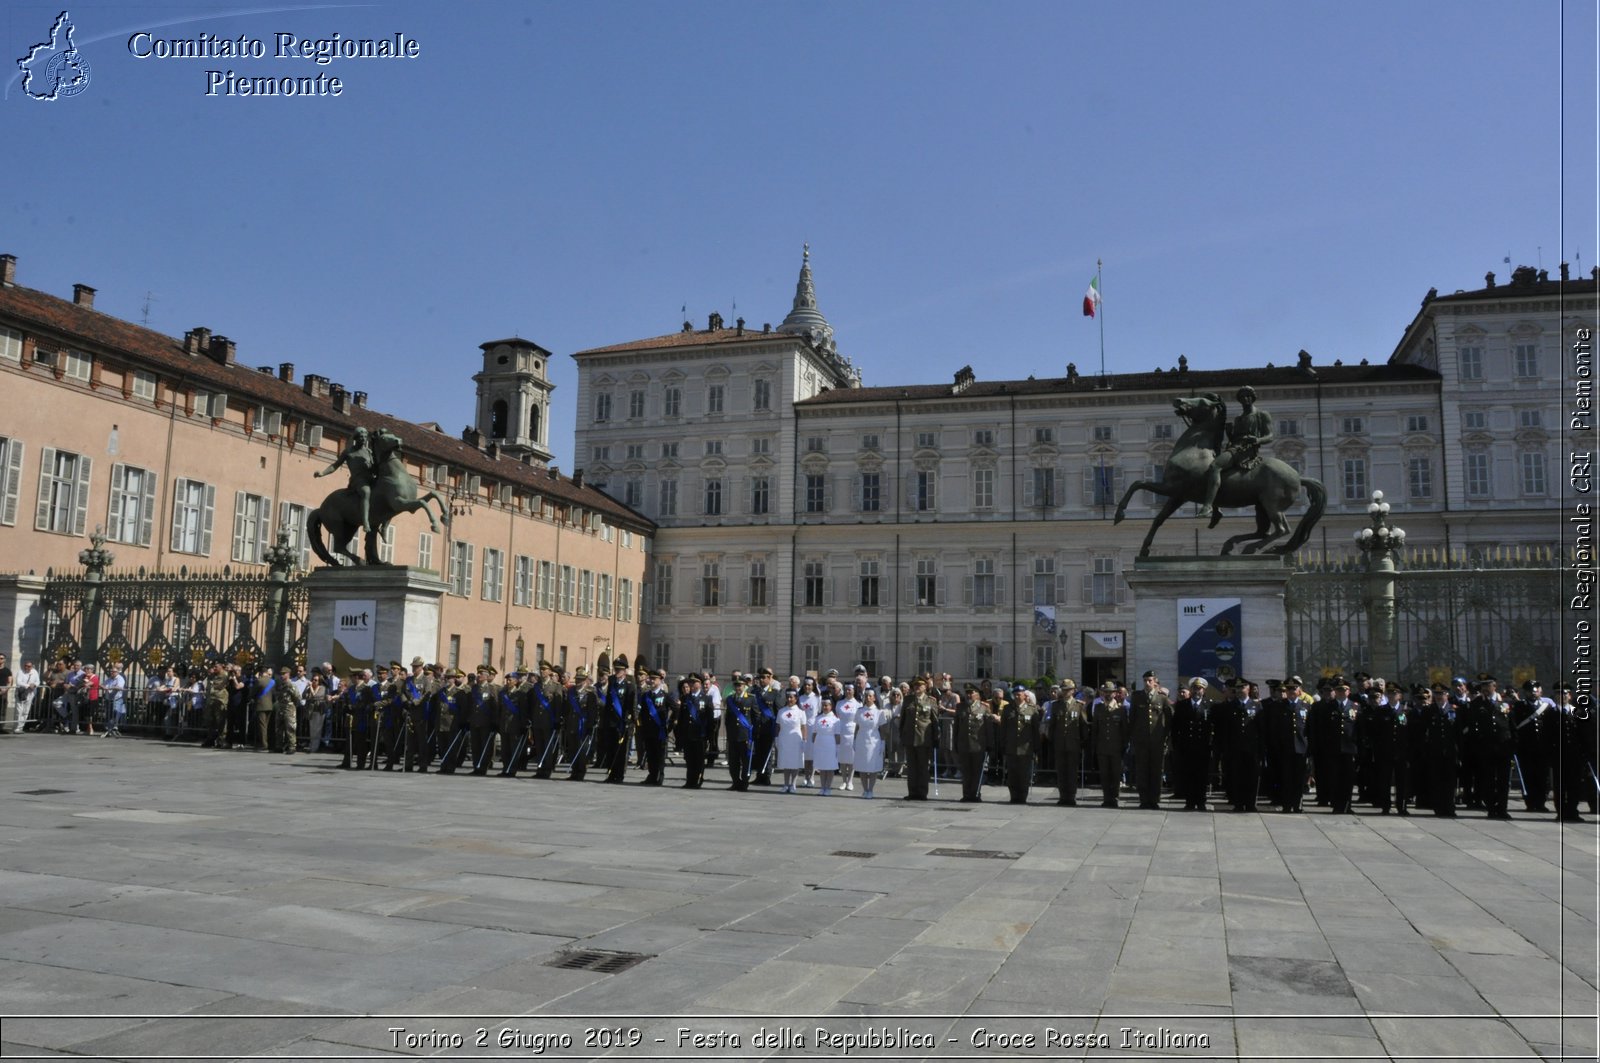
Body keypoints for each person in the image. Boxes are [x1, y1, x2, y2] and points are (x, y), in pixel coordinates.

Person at [1198, 384, 1273, 520]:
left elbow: (1270, 436)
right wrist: (1229, 433)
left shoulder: (1261, 414)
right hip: (1234, 448)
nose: (1246, 399)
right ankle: (1217, 508)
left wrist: (1256, 440)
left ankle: (1208, 505)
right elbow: (1235, 439)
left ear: (1253, 398)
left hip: (1246, 451)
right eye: (1243, 396)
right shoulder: (1238, 418)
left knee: (1215, 467)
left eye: (1248, 396)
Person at [1129, 670, 1171, 810]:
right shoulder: (1137, 697)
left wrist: (1165, 738)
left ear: (1155, 682)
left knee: (1156, 771)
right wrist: (1133, 739)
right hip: (1141, 742)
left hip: (1157, 741)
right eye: (1145, 680)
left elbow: (1168, 721)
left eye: (1150, 680)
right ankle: (1144, 798)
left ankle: (1154, 799)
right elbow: (1132, 720)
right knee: (1142, 770)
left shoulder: (1162, 699)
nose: (1147, 683)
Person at [999, 686, 1043, 804]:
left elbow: (1035, 730)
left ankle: (1022, 796)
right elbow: (1003, 729)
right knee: (1012, 774)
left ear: (1025, 695)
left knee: (1024, 774)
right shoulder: (1008, 709)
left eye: (1020, 694)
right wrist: (1002, 744)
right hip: (1011, 747)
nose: (1017, 696)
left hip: (1026, 748)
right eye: (1016, 694)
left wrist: (1036, 747)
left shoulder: (1032, 709)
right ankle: (1014, 796)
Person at [900, 677, 939, 800]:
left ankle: (922, 792)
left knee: (922, 767)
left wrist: (936, 738)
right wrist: (902, 736)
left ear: (925, 687)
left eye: (920, 685)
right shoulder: (908, 700)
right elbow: (903, 720)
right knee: (911, 767)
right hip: (910, 738)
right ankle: (912, 792)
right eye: (915, 685)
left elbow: (935, 722)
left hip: (924, 739)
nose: (917, 687)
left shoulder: (931, 701)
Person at [1091, 681, 1129, 807]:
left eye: (1110, 692)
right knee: (1105, 774)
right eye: (1105, 692)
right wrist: (1094, 746)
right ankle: (1106, 798)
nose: (1108, 694)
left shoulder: (1121, 709)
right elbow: (1095, 729)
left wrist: (1124, 746)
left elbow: (1124, 731)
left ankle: (1115, 798)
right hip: (1102, 747)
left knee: (1115, 774)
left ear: (1115, 693)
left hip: (1116, 748)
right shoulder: (1098, 708)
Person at [852, 688, 889, 798]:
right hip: (861, 739)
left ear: (874, 698)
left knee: (872, 767)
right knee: (863, 766)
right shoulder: (859, 711)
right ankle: (865, 789)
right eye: (866, 696)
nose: (868, 698)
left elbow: (883, 729)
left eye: (870, 696)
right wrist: (854, 740)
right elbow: (857, 727)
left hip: (874, 740)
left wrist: (883, 742)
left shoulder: (879, 712)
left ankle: (871, 790)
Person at [723, 674, 755, 791]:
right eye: (736, 685)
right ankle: (736, 782)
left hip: (745, 735)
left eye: (740, 685)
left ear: (745, 686)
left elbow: (755, 717)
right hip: (733, 735)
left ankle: (744, 783)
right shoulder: (730, 699)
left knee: (746, 761)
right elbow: (727, 719)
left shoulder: (751, 698)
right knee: (733, 761)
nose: (738, 687)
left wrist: (754, 734)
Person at [775, 688, 808, 793]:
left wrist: (804, 740)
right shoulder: (781, 711)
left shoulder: (801, 712)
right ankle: (785, 784)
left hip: (796, 738)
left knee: (795, 762)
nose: (789, 699)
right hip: (784, 737)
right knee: (786, 762)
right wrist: (776, 738)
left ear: (796, 698)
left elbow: (803, 727)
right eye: (788, 697)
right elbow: (778, 725)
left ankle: (793, 784)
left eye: (792, 697)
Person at [810, 698, 841, 795]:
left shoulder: (836, 720)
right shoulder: (817, 718)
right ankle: (822, 787)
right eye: (823, 705)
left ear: (831, 706)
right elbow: (814, 733)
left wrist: (837, 748)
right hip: (820, 744)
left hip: (830, 744)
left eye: (827, 705)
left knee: (830, 767)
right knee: (822, 767)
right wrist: (814, 744)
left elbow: (837, 735)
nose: (825, 707)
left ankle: (828, 787)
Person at [834, 680, 860, 791]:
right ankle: (843, 781)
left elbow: (858, 720)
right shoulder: (840, 703)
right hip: (841, 731)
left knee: (852, 759)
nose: (848, 691)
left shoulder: (858, 704)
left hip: (852, 732)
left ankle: (850, 781)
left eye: (850, 689)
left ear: (854, 691)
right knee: (843, 759)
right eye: (847, 689)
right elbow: (837, 718)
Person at [101, 663, 127, 738]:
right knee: (109, 714)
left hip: (117, 699)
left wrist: (113, 688)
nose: (112, 673)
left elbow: (119, 687)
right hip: (109, 698)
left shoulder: (120, 678)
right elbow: (102, 684)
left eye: (114, 671)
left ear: (117, 672)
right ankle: (110, 729)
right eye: (111, 671)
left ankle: (113, 727)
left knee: (115, 713)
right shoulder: (109, 679)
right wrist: (104, 687)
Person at [14, 660, 40, 732]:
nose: (27, 667)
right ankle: (17, 727)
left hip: (30, 693)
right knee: (19, 710)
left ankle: (21, 727)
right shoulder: (20, 672)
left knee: (26, 710)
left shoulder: (34, 672)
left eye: (29, 666)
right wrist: (29, 685)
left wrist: (34, 685)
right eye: (25, 666)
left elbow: (38, 681)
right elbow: (18, 682)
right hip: (21, 692)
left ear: (32, 667)